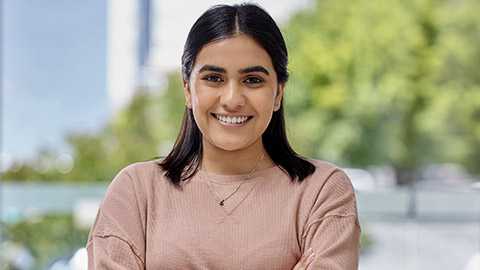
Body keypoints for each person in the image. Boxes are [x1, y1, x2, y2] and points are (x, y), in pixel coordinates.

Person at [86, 3, 361, 269]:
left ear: (278, 93)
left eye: (252, 80)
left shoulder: (322, 191)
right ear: (187, 90)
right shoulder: (135, 192)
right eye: (214, 78)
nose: (232, 100)